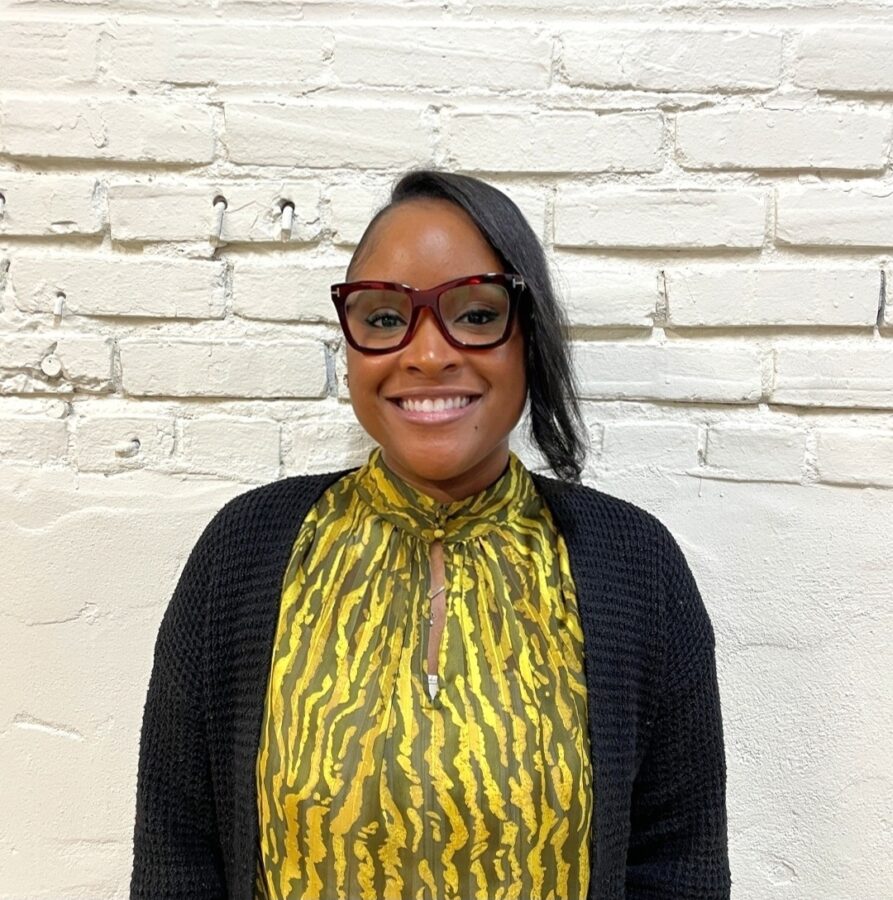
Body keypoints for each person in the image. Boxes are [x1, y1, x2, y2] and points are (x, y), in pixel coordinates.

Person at [130, 170, 730, 900]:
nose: (427, 354)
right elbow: (176, 856)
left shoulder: (635, 569)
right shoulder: (244, 554)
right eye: (385, 319)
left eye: (475, 315)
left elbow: (677, 864)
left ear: (529, 336)